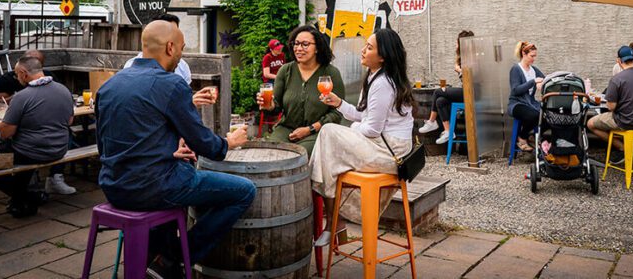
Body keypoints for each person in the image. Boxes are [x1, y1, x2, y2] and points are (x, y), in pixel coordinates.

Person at [96, 20, 254, 277]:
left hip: (114, 187)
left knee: (176, 180)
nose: (181, 54)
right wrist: (228, 143)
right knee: (244, 191)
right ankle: (174, 258)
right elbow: (202, 142)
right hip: (155, 187)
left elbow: (107, 145)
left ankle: (155, 260)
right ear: (170, 47)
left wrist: (166, 149)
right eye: (181, 48)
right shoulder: (171, 84)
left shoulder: (110, 85)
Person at [310, 28, 414, 246]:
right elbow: (365, 116)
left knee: (328, 133)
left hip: (390, 152)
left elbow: (371, 130)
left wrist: (353, 127)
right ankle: (333, 222)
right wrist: (339, 103)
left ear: (382, 56)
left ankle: (330, 216)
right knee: (330, 150)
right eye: (365, 45)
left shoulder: (383, 83)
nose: (363, 50)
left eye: (369, 47)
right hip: (386, 145)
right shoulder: (375, 77)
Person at [0, 55, 74, 217]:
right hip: (59, 149)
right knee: (20, 153)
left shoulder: (22, 97)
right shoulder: (64, 90)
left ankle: (28, 196)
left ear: (23, 73)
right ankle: (20, 202)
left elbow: (6, 132)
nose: (16, 77)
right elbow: (70, 121)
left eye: (17, 74)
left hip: (31, 152)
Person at [257, 25, 345, 156]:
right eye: (296, 44)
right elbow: (277, 105)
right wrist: (269, 105)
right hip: (286, 129)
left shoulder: (331, 73)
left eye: (305, 44)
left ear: (317, 48)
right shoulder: (286, 71)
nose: (299, 48)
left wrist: (309, 129)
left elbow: (337, 112)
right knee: (271, 154)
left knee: (299, 156)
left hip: (318, 131)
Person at [588, 45, 633, 163]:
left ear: (619, 61)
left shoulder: (617, 79)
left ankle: (623, 149)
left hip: (626, 122)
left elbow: (611, 107)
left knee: (590, 123)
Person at [417, 30, 474, 144]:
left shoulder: (473, 58)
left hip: (473, 93)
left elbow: (471, 80)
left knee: (438, 91)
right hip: (466, 91)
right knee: (440, 101)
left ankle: (432, 121)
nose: (455, 45)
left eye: (457, 43)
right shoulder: (463, 59)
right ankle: (448, 131)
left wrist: (459, 70)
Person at [507, 41, 545, 151]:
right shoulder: (516, 69)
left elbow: (545, 80)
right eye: (532, 56)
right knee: (534, 116)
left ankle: (531, 136)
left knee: (548, 116)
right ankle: (522, 137)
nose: (534, 58)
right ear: (524, 54)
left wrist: (542, 84)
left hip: (530, 103)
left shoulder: (534, 70)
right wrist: (533, 81)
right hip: (516, 104)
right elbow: (515, 90)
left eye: (535, 56)